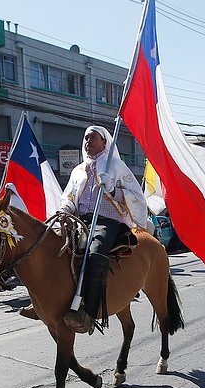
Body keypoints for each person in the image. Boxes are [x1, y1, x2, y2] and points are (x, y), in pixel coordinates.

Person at [58, 126, 147, 334]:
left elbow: (136, 197)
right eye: (86, 138)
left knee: (95, 255)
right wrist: (64, 210)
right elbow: (69, 196)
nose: (88, 141)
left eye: (93, 138)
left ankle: (87, 311)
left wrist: (114, 189)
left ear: (104, 142)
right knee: (50, 249)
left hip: (107, 221)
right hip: (80, 220)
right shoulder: (78, 170)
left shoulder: (116, 165)